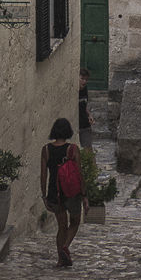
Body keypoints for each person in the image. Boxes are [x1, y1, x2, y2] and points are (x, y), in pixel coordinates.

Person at [40, 117, 88, 268]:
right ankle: (65, 247)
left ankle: (61, 259)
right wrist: (85, 195)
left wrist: (44, 196)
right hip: (72, 193)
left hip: (55, 192)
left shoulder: (46, 149)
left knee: (62, 226)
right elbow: (79, 173)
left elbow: (43, 175)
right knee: (75, 222)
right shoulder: (72, 149)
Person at [78, 68, 94, 149]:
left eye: (86, 79)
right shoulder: (72, 90)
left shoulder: (85, 89)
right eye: (82, 79)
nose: (84, 81)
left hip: (85, 124)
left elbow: (84, 105)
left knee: (88, 150)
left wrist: (89, 115)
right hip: (76, 125)